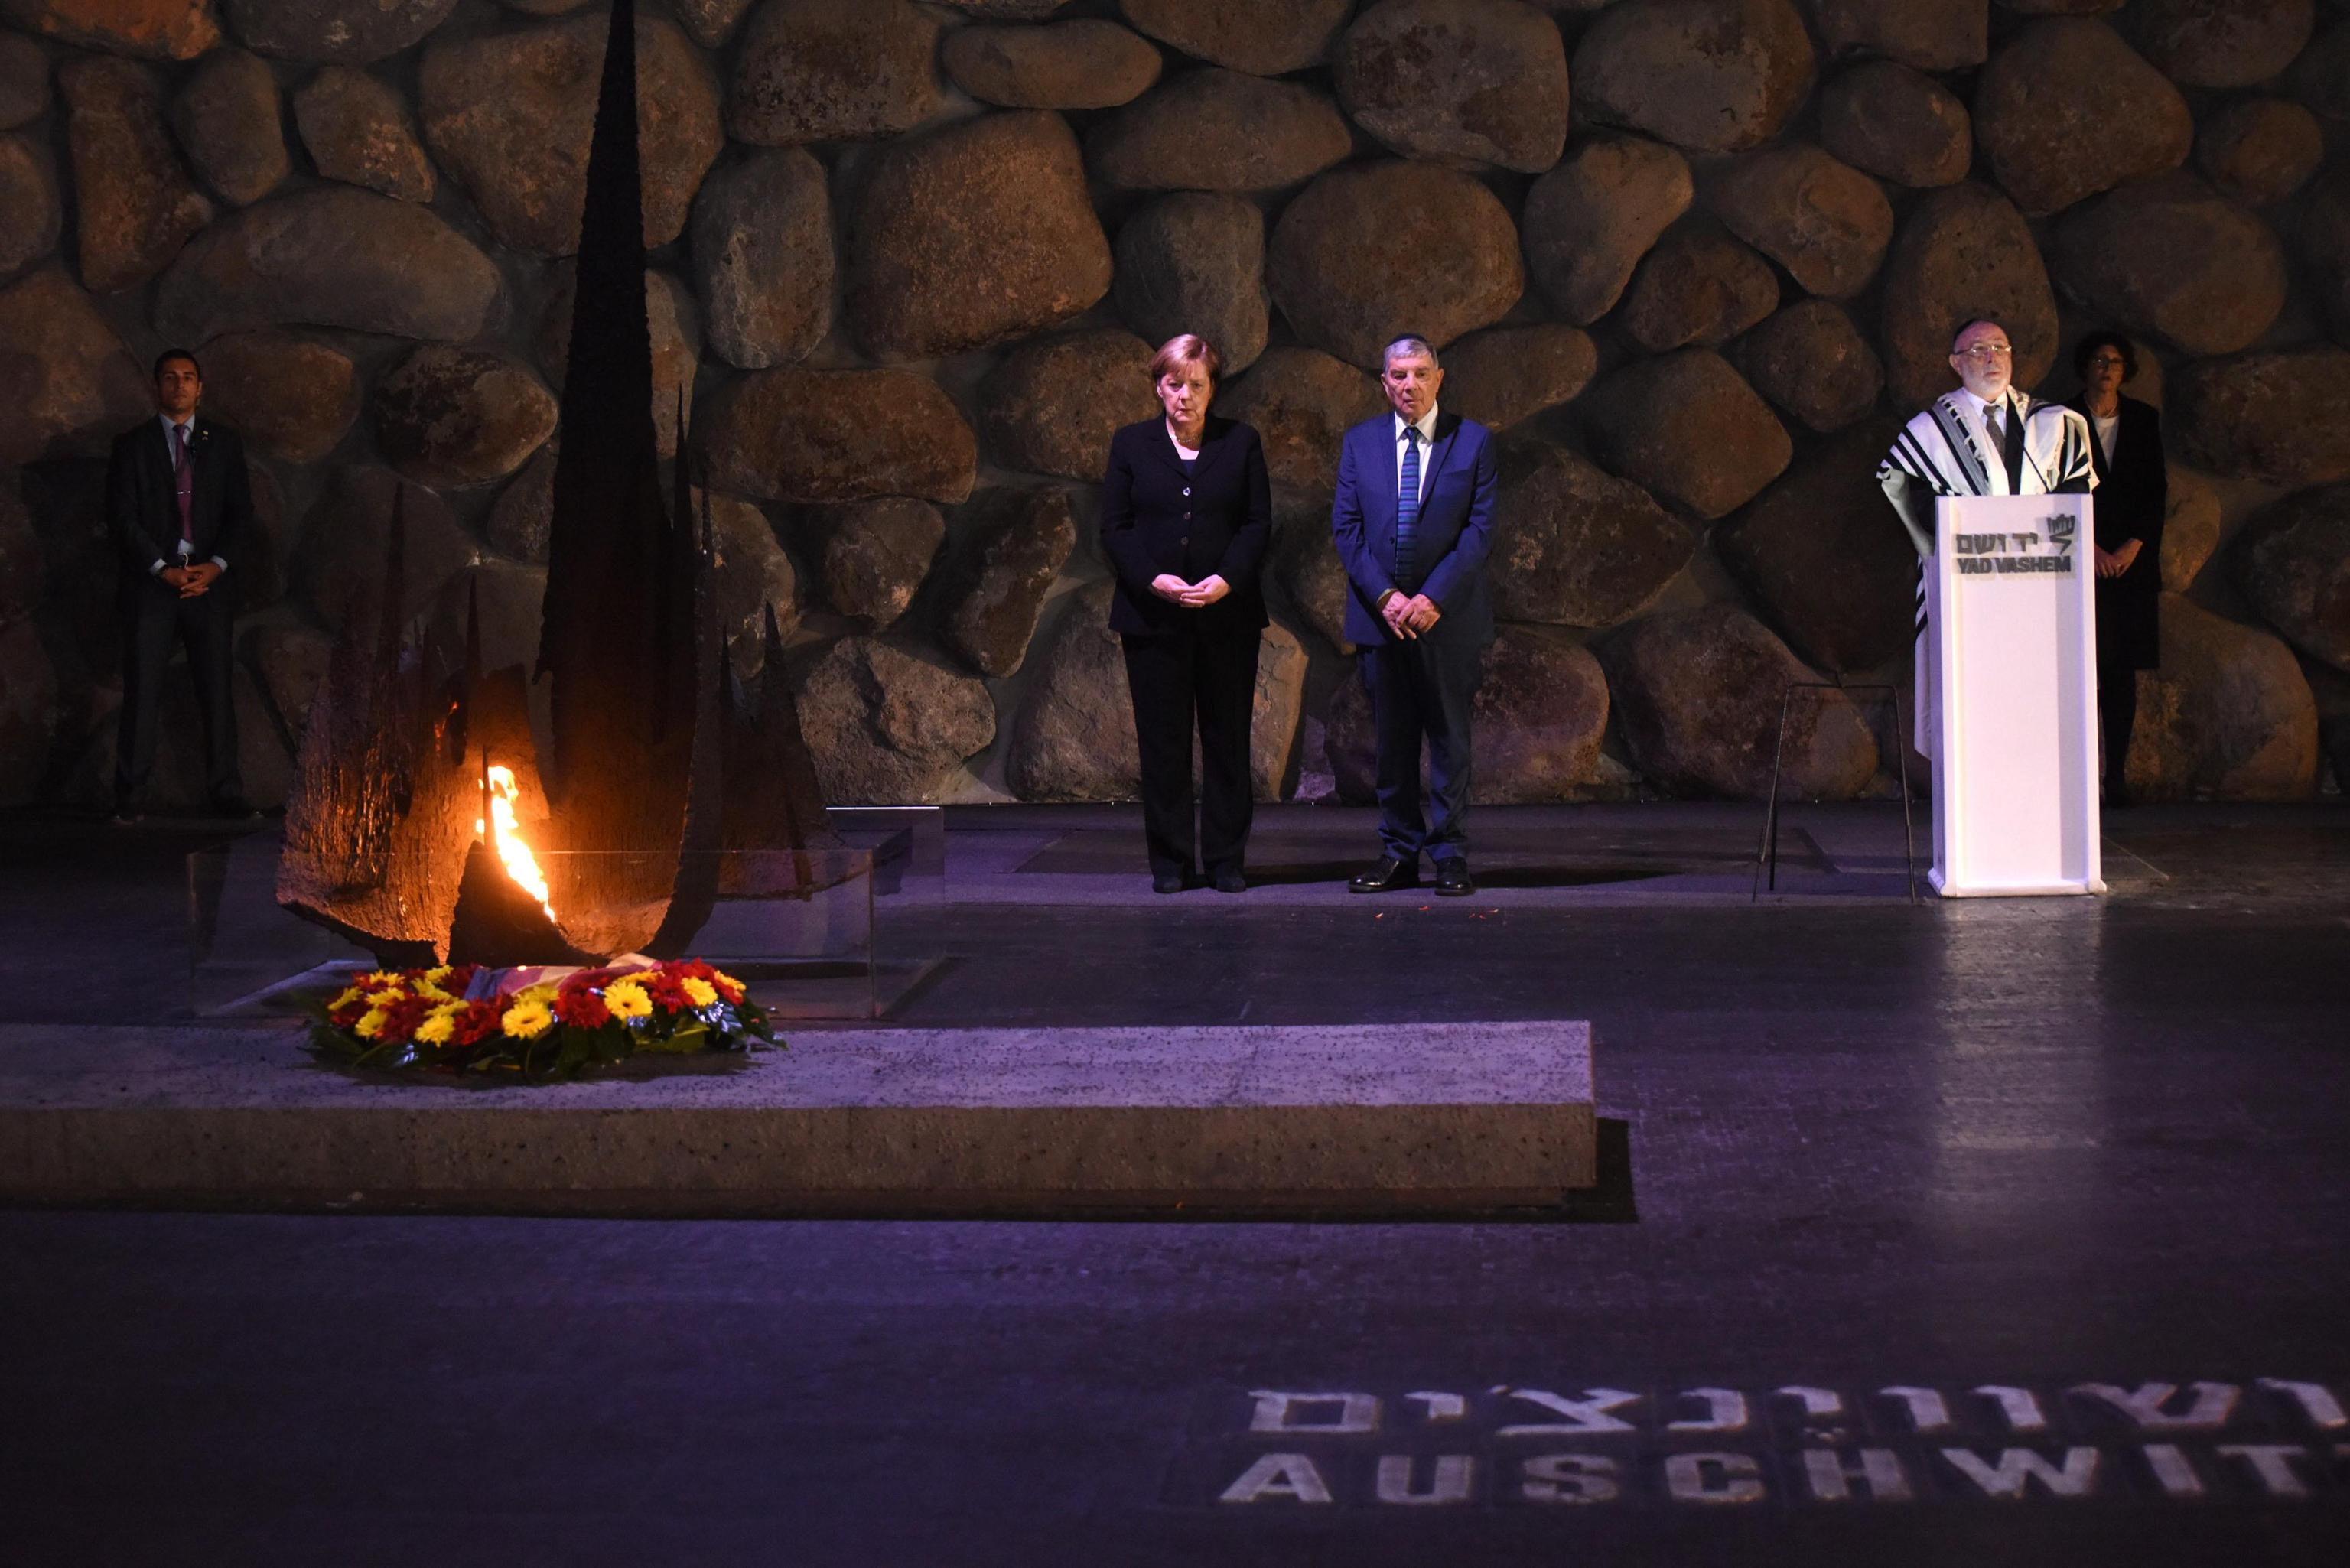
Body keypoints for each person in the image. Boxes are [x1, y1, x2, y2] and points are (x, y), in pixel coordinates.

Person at [1099, 333, 1272, 894]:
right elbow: (1116, 528)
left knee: (1227, 741)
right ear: (1158, 387)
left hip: (1228, 618)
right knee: (1163, 743)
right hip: (1154, 619)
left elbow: (1256, 524)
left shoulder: (1241, 442)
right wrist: (1154, 579)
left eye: (1196, 386)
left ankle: (1226, 860)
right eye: (1175, 385)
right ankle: (1170, 861)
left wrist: (1224, 581)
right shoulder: (1131, 445)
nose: (1185, 397)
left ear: (1212, 388)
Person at [1876, 318, 2098, 755]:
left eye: (2000, 347)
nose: (1992, 357)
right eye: (1978, 350)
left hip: (2042, 586)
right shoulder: (1930, 431)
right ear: (1955, 364)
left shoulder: (2054, 425)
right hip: (1971, 583)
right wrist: (1947, 529)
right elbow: (1908, 490)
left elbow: (2076, 495)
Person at [1331, 334, 1499, 897]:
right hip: (1382, 621)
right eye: (1399, 375)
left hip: (1445, 620)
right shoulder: (1360, 444)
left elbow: (1478, 533)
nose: (1410, 384)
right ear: (1385, 383)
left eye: (1420, 373)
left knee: (1450, 738)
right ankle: (1399, 852)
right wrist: (1387, 599)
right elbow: (1347, 530)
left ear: (1439, 377)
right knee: (1393, 742)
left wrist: (1431, 599)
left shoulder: (1473, 442)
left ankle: (1450, 854)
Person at [108, 348, 256, 824]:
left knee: (216, 689)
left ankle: (226, 793)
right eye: (170, 378)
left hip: (208, 583)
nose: (180, 385)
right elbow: (122, 517)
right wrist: (160, 568)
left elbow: (241, 514)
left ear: (201, 387)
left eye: (188, 377)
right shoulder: (132, 445)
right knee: (143, 688)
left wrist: (214, 567)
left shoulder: (225, 443)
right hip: (153, 583)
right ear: (157, 386)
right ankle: (130, 798)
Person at [2065, 332, 2166, 807]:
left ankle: (2117, 777)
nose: (2108, 368)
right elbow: (2054, 492)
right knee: (2079, 672)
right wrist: (2092, 548)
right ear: (2086, 366)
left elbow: (2155, 491)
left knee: (2122, 673)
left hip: (2130, 567)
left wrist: (2131, 548)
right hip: (2078, 562)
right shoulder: (2060, 419)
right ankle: (2079, 776)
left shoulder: (2144, 421)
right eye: (2101, 360)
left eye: (2117, 362)